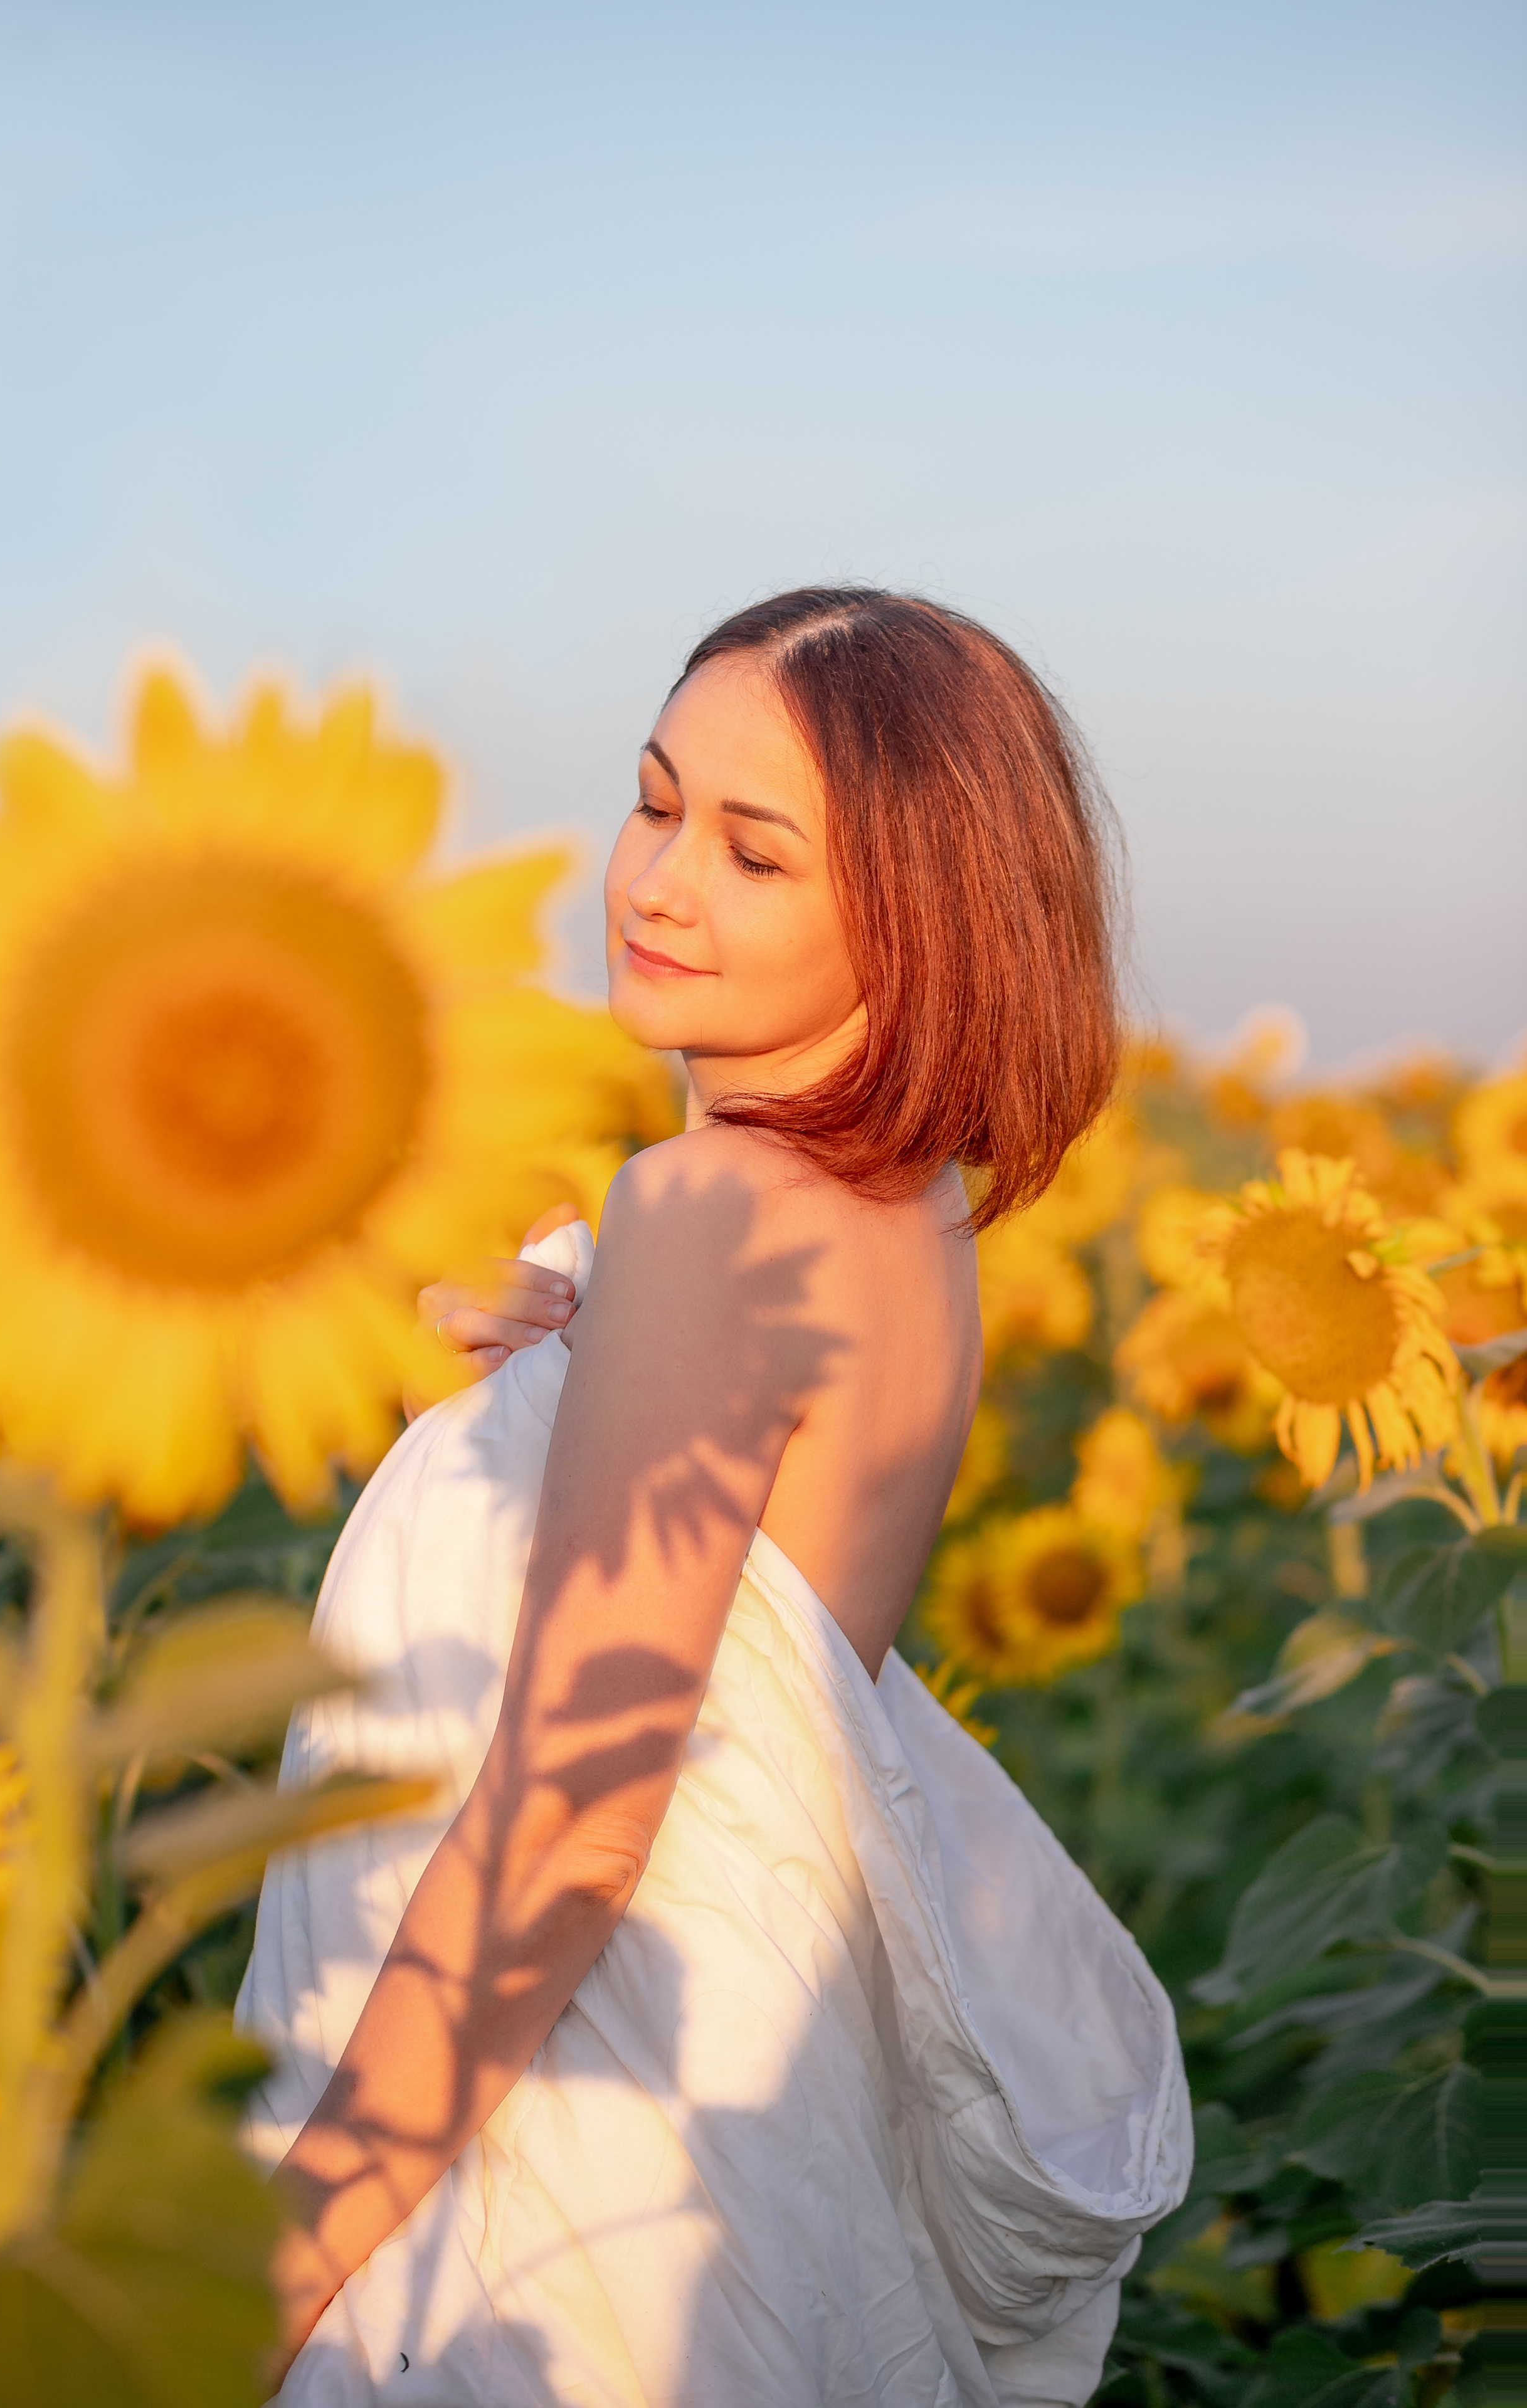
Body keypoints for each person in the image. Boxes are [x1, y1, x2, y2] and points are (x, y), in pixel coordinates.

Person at [238, 589, 1192, 2407]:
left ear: (924, 916)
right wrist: (516, 1390)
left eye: (755, 854)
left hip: (532, 2152)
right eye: (656, 801)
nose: (658, 884)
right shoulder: (896, 1217)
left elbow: (570, 1832)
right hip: (710, 2116)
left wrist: (275, 2268)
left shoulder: (714, 1215)